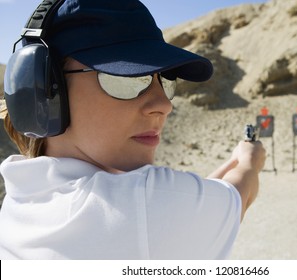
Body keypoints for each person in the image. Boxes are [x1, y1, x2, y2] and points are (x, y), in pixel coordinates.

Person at [0, 0, 265, 259]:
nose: (164, 105)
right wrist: (247, 162)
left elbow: (176, 200)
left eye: (166, 79)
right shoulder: (141, 207)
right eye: (126, 78)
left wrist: (232, 163)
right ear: (45, 91)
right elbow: (237, 194)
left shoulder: (22, 195)